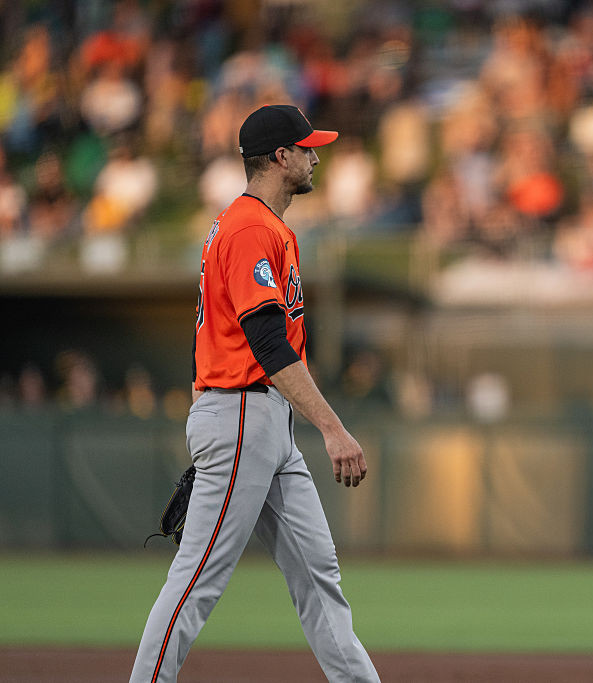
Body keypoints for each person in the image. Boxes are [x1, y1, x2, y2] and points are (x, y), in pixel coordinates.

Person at [130, 105, 379, 682]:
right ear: (281, 157)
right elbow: (266, 343)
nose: (316, 157)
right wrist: (333, 428)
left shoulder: (262, 226)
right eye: (308, 148)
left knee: (318, 576)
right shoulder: (248, 228)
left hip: (262, 420)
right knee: (197, 579)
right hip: (240, 412)